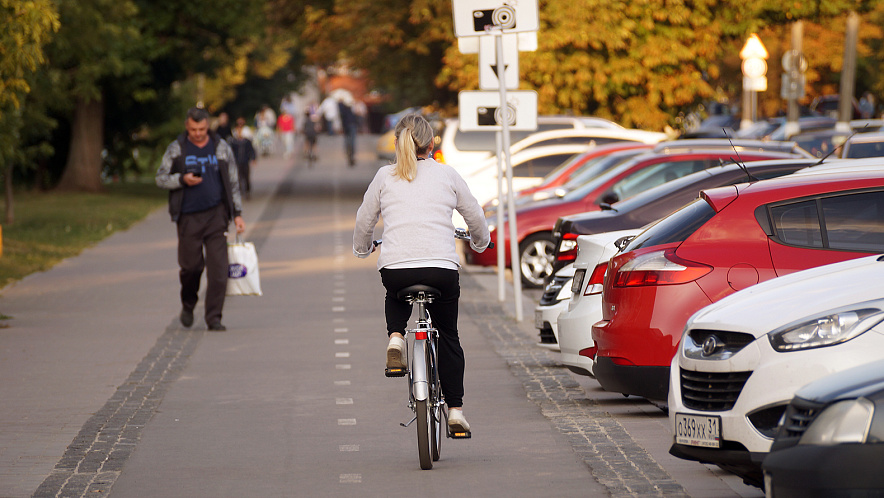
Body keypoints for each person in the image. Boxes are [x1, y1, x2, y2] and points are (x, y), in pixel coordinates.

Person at [352, 114, 490, 434]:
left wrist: (362, 248)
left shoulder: (385, 176)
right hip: (441, 270)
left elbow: (364, 220)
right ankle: (455, 412)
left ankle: (396, 336)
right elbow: (474, 215)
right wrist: (481, 243)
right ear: (431, 143)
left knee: (394, 289)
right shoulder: (447, 174)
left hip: (397, 269)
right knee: (449, 336)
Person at [156, 106, 246, 332]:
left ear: (208, 126)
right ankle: (188, 303)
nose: (198, 133)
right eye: (194, 129)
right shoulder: (177, 149)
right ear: (187, 127)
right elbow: (160, 178)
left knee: (219, 271)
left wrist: (237, 214)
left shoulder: (220, 147)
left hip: (216, 215)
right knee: (191, 268)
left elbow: (233, 182)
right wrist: (182, 179)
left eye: (202, 129)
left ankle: (214, 317)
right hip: (188, 217)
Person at [230, 117, 257, 199]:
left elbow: (252, 150)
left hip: (245, 161)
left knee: (246, 177)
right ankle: (240, 191)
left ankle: (247, 191)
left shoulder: (246, 141)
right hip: (237, 161)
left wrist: (253, 158)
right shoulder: (234, 142)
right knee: (238, 177)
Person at [338, 97, 358, 166]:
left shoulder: (343, 109)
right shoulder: (352, 109)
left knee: (347, 141)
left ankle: (348, 153)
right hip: (352, 125)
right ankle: (351, 153)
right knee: (352, 141)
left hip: (346, 126)